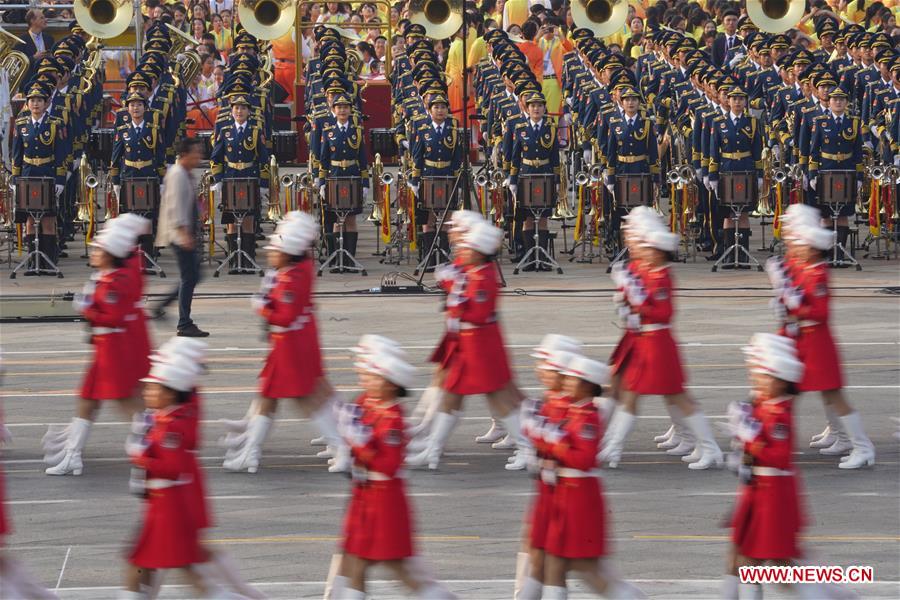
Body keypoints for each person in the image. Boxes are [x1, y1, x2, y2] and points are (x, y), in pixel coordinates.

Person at [721, 333, 853, 599]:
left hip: (772, 493)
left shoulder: (779, 414)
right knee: (746, 556)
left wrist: (751, 437)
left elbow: (778, 456)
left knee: (766, 564)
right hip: (758, 490)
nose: (754, 378)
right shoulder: (764, 405)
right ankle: (833, 592)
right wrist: (740, 451)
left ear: (779, 380)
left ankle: (829, 594)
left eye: (760, 375)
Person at [222, 212, 351, 474]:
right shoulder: (290, 271)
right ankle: (251, 448)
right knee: (270, 394)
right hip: (290, 341)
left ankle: (342, 443)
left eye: (275, 250)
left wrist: (263, 308)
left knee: (306, 397)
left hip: (293, 343)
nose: (270, 253)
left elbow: (285, 316)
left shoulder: (292, 276)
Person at [329, 342, 457, 599]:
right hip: (364, 495)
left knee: (398, 568)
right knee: (357, 563)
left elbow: (388, 465)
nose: (366, 379)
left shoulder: (393, 420)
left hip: (384, 499)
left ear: (391, 384)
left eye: (374, 377)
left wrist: (359, 441)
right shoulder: (366, 402)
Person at [602, 207, 723, 470]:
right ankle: (611, 447)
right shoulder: (643, 268)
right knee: (641, 396)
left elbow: (662, 311)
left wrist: (636, 299)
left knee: (675, 398)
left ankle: (709, 447)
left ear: (657, 251)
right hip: (643, 340)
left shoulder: (661, 275)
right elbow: (635, 301)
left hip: (657, 344)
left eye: (645, 247)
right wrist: (625, 302)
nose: (638, 249)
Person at [407, 221, 530, 471]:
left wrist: (452, 289)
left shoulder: (484, 276)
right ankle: (432, 448)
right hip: (467, 343)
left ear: (479, 251)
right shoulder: (475, 271)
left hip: (481, 345)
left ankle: (528, 447)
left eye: (468, 247)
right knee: (451, 396)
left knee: (500, 398)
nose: (462, 249)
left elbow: (477, 313)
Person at [528, 354, 643, 599]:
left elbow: (583, 459)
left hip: (578, 495)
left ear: (588, 386)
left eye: (574, 380)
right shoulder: (573, 411)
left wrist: (554, 441)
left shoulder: (588, 418)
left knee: (585, 568)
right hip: (565, 492)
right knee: (557, 562)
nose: (567, 382)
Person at [767, 209, 875, 469]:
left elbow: (819, 310)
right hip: (800, 337)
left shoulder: (817, 273)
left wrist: (794, 302)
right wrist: (783, 300)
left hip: (816, 341)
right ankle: (838, 436)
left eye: (799, 242)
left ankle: (862, 446)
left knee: (832, 394)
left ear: (813, 247)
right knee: (805, 393)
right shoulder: (803, 265)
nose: (793, 245)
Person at [42, 219, 145, 475]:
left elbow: (112, 315)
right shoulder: (112, 274)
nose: (94, 253)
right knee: (88, 398)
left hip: (114, 347)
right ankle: (72, 455)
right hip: (106, 345)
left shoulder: (118, 279)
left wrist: (87, 307)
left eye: (99, 249)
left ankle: (151, 443)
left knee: (125, 400)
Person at [152, 137, 208, 337]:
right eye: (196, 153)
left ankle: (162, 307)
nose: (199, 156)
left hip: (185, 232)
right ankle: (184, 323)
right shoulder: (177, 174)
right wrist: (184, 233)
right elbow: (175, 206)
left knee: (192, 275)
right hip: (179, 234)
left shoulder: (186, 173)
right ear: (185, 154)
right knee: (189, 276)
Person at [11, 83, 67, 272]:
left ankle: (48, 261)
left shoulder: (55, 123)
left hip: (47, 174)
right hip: (28, 176)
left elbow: (61, 153)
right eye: (32, 100)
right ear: (27, 103)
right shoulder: (21, 124)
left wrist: (60, 180)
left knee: (47, 220)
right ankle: (32, 260)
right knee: (29, 220)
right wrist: (15, 180)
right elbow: (16, 154)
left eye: (39, 100)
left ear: (46, 103)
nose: (35, 104)